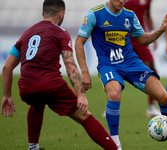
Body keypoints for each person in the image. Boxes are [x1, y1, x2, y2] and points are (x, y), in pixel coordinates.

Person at [1, 0, 119, 150]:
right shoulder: (60, 32)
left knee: (37, 105)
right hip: (51, 86)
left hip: (26, 88)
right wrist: (80, 94)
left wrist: (7, 96)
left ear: (43, 13)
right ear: (61, 14)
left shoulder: (27, 33)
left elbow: (6, 67)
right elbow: (70, 65)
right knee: (84, 116)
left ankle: (33, 147)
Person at [75, 0, 167, 150]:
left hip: (131, 63)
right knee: (114, 94)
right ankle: (115, 144)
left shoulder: (129, 16)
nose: (121, 1)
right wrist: (84, 71)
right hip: (108, 65)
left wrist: (161, 30)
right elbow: (79, 42)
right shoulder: (94, 15)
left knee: (164, 97)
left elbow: (143, 39)